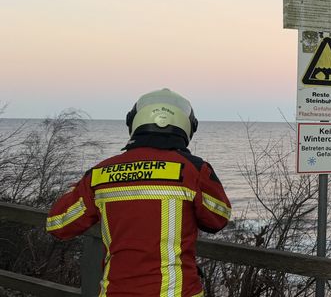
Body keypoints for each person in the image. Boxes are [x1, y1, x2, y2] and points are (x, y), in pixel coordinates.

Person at [46, 88, 231, 297]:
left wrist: (76, 189)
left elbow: (58, 224)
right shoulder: (195, 170)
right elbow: (218, 219)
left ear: (133, 123)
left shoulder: (99, 174)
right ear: (188, 127)